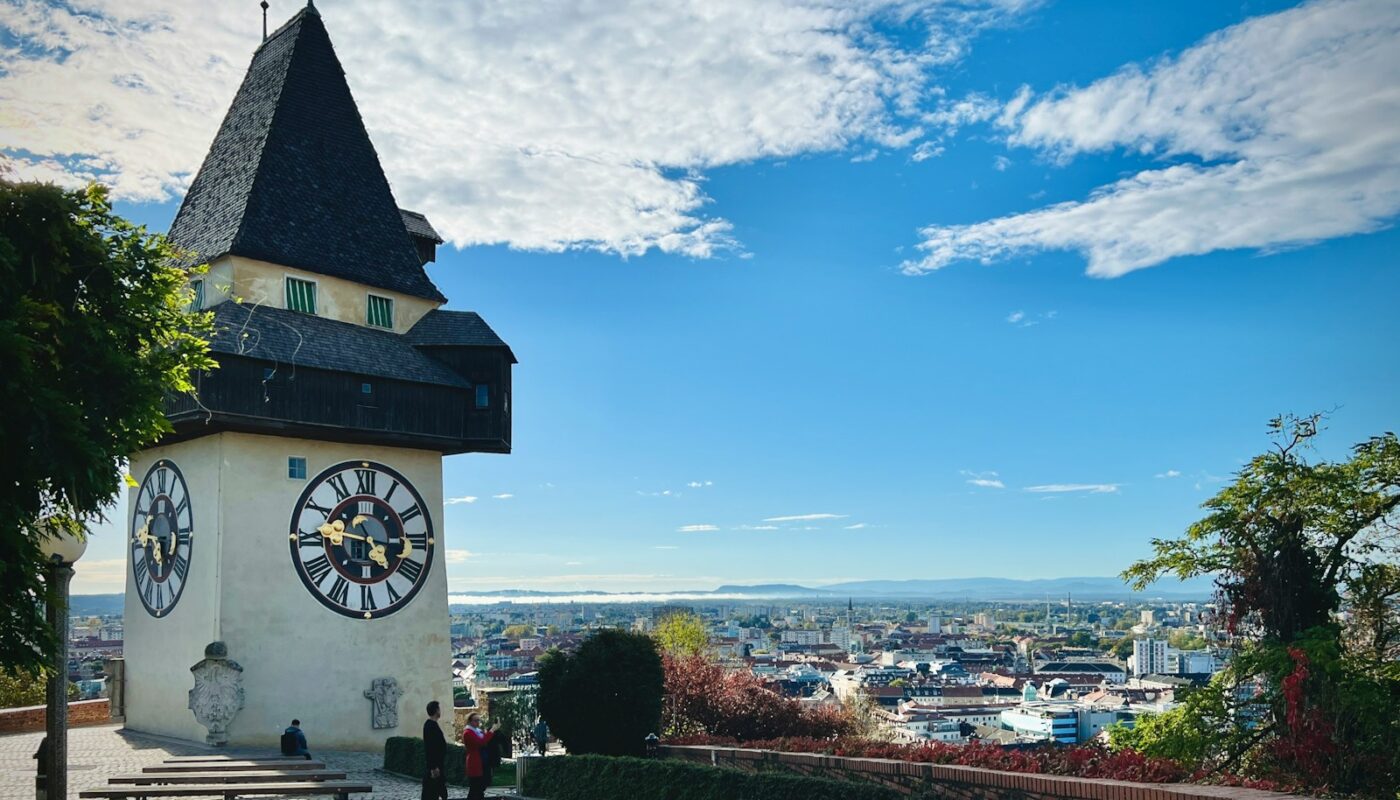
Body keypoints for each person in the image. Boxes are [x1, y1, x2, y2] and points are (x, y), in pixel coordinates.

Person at [461, 712, 498, 800]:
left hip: (481, 762)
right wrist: (492, 730)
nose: (478, 722)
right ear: (470, 721)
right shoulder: (468, 733)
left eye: (479, 720)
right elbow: (481, 742)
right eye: (476, 720)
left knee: (480, 789)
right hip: (474, 763)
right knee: (475, 789)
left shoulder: (478, 731)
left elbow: (484, 739)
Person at [421, 702, 448, 800]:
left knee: (439, 792)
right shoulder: (430, 726)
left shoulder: (433, 725)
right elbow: (430, 747)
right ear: (436, 710)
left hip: (438, 764)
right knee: (432, 793)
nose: (440, 711)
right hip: (435, 766)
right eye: (439, 709)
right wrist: (433, 767)